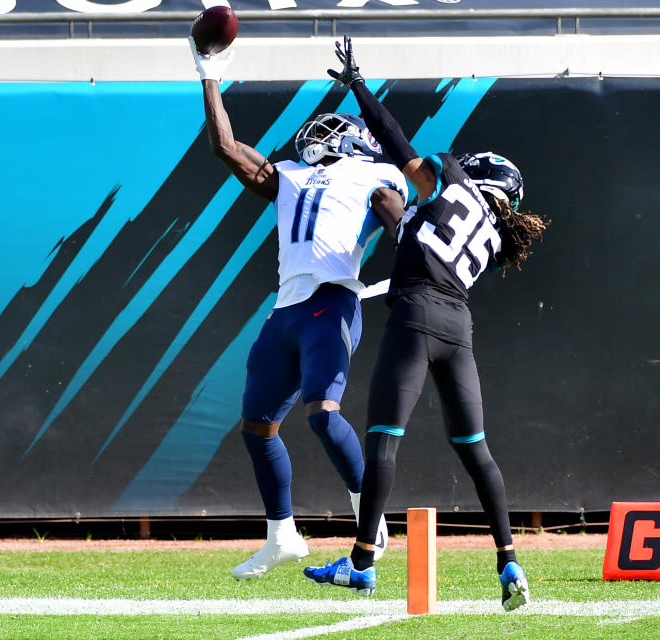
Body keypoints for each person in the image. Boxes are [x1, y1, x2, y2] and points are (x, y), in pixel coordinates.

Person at [303, 37, 549, 611]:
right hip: (457, 328)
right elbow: (416, 232)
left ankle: (363, 563)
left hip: (414, 316)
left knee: (384, 442)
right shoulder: (492, 235)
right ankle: (510, 562)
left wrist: (360, 87)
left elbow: (398, 144)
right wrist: (399, 212)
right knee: (476, 450)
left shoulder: (452, 178)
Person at [189, 37, 405, 579]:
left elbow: (394, 211)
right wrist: (208, 72)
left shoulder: (374, 174)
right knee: (257, 427)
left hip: (331, 300)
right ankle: (282, 536)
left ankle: (370, 520)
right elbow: (226, 147)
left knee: (322, 417)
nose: (326, 138)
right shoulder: (289, 175)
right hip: (285, 309)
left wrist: (410, 256)